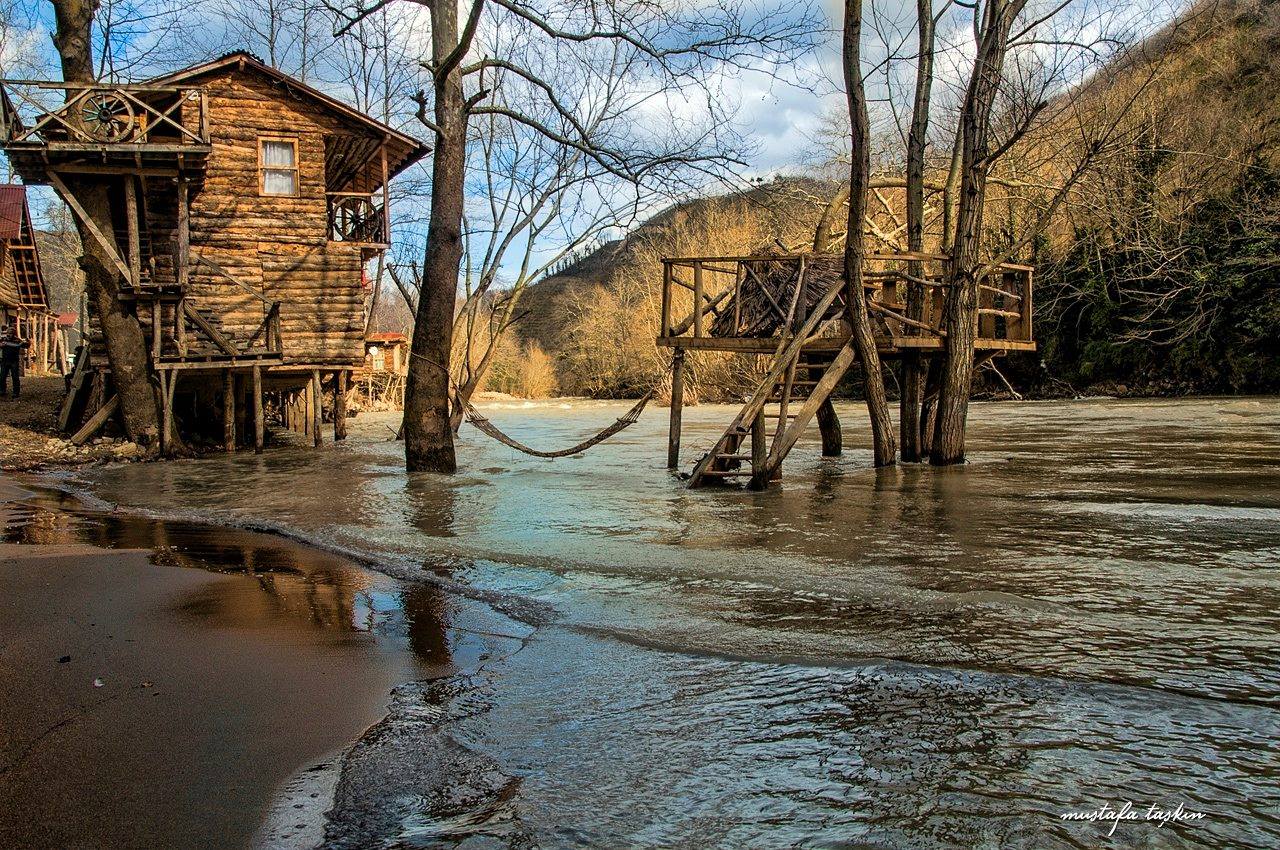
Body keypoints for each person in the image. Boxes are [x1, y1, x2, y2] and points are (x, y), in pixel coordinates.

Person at [0, 325, 28, 399]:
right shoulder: (3, 339)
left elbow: (26, 346)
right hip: (5, 360)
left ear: (14, 333)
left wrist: (26, 342)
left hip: (14, 361)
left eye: (11, 333)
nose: (9, 334)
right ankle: (2, 391)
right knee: (2, 377)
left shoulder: (18, 340)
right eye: (8, 333)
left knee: (15, 377)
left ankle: (16, 392)